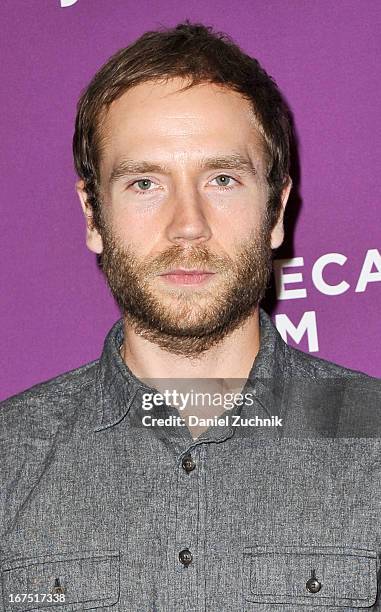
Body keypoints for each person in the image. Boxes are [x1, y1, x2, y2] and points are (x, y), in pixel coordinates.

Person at [1, 21, 380, 611]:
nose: (187, 226)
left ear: (276, 209)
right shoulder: (10, 456)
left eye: (222, 179)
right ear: (93, 215)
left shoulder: (374, 441)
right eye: (145, 182)